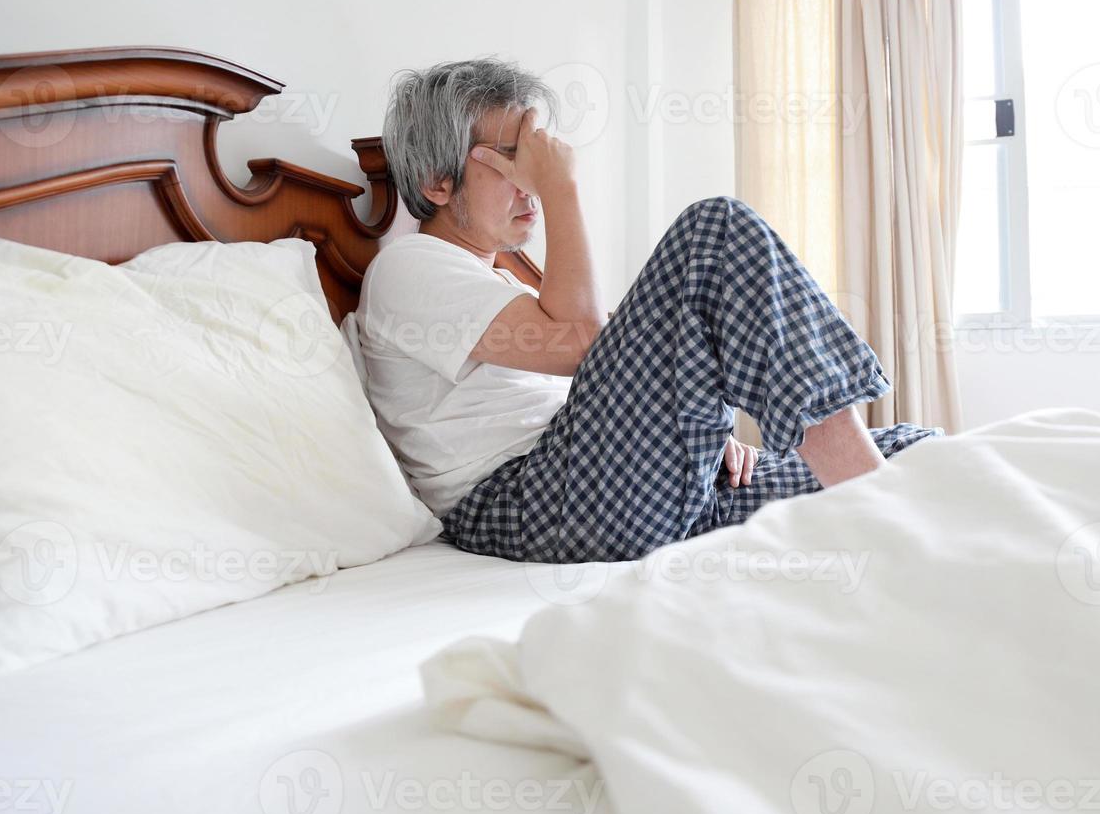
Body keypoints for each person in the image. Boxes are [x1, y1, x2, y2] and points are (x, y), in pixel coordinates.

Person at [356, 58, 941, 564]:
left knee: (921, 451)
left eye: (536, 161)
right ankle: (878, 513)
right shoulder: (408, 267)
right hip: (537, 499)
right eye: (512, 159)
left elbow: (619, 368)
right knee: (715, 231)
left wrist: (697, 432)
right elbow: (583, 345)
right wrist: (561, 189)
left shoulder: (501, 282)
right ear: (438, 182)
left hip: (610, 479)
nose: (530, 182)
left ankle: (874, 496)